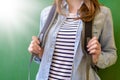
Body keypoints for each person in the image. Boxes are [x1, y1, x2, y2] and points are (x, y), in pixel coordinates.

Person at [28, 0, 117, 80]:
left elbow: (111, 53)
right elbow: (43, 57)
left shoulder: (102, 13)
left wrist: (97, 58)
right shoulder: (46, 13)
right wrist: (38, 52)